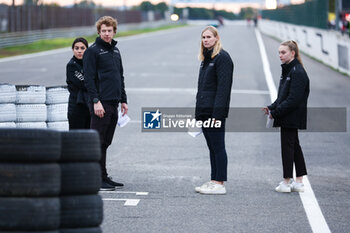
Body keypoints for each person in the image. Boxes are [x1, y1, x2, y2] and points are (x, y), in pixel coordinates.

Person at [83, 16, 128, 191]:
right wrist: (96, 101)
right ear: (99, 32)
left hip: (114, 102)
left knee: (106, 142)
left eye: (109, 31)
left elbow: (120, 77)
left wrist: (123, 100)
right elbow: (89, 79)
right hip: (100, 103)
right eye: (103, 31)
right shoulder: (92, 51)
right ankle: (96, 178)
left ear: (114, 31)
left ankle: (103, 176)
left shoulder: (116, 51)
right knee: (97, 142)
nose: (107, 34)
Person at [263, 40, 310, 193]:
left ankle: (286, 181)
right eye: (279, 52)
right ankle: (299, 182)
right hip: (288, 115)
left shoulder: (297, 72)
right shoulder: (288, 70)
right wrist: (271, 107)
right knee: (294, 147)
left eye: (283, 52)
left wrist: (275, 113)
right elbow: (282, 97)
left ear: (292, 53)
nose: (280, 55)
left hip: (292, 117)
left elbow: (293, 100)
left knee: (288, 148)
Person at [194, 26, 234, 195]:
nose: (206, 40)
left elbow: (223, 89)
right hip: (204, 110)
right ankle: (213, 180)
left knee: (218, 147)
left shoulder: (222, 58)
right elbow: (202, 88)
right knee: (211, 147)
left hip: (214, 112)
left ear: (217, 38)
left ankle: (220, 182)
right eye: (203, 37)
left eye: (209, 37)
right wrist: (198, 113)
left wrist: (218, 114)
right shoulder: (206, 58)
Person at [66, 37, 91, 130]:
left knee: (89, 139)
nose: (79, 51)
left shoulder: (89, 64)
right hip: (77, 107)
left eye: (82, 48)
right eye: (76, 48)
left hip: (88, 107)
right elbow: (86, 84)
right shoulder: (71, 65)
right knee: (76, 139)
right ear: (73, 50)